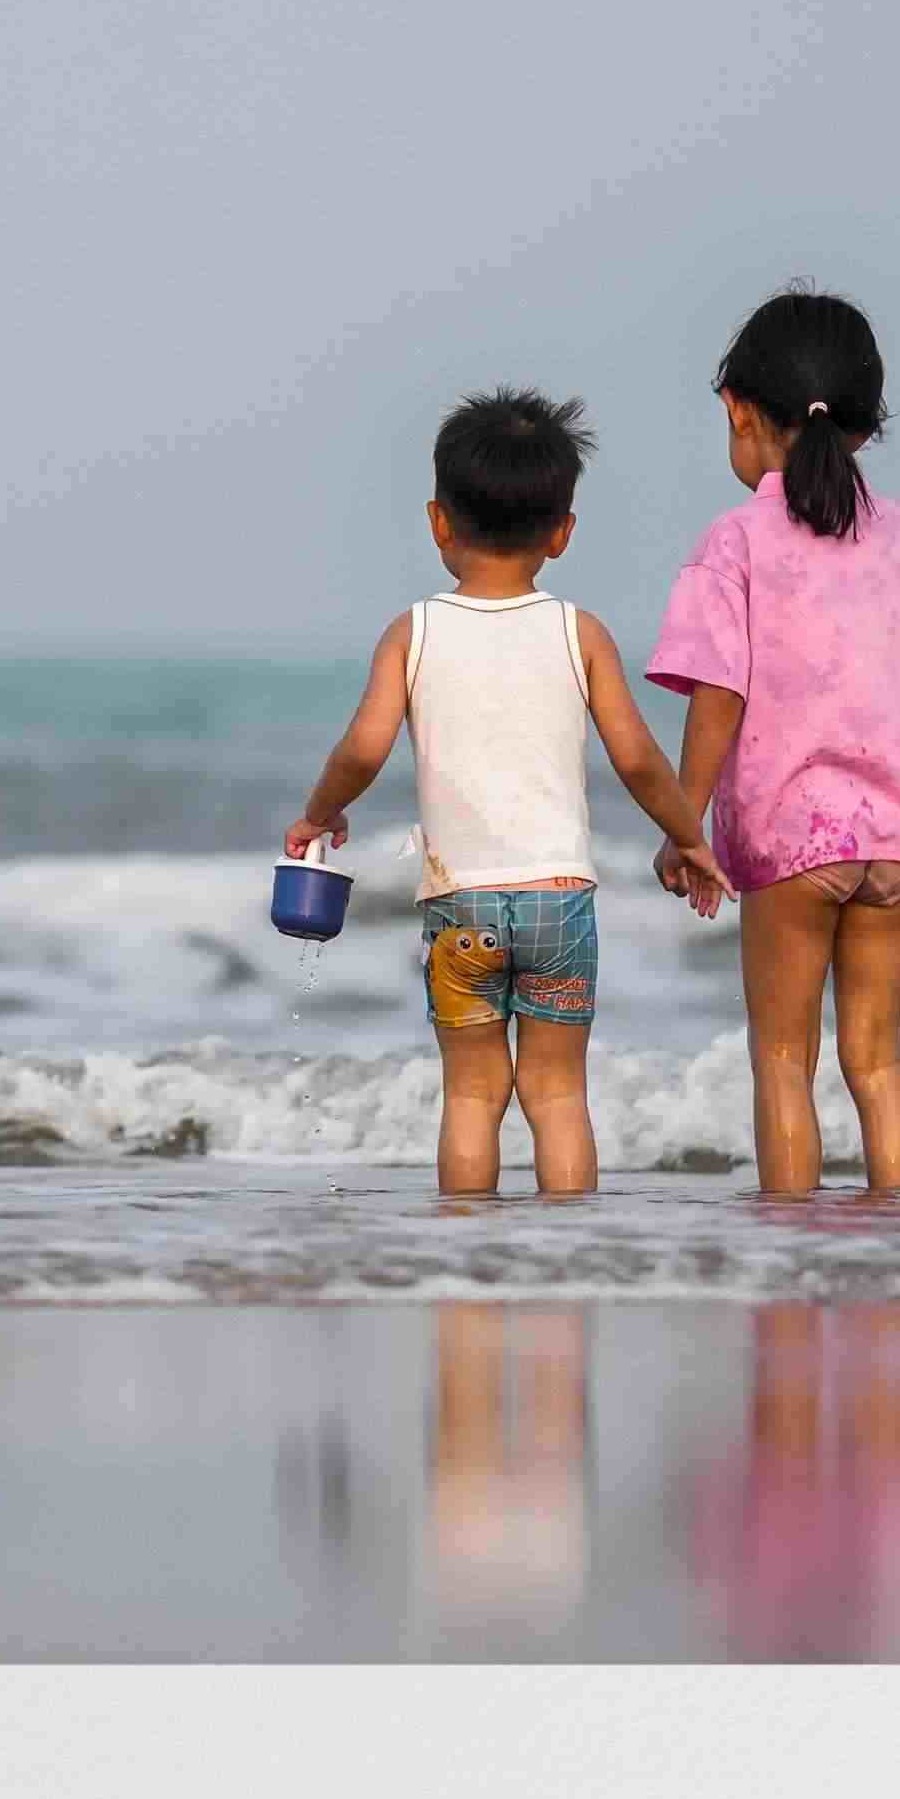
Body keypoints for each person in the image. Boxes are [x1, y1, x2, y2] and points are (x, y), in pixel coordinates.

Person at [284, 388, 727, 1195]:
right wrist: (689, 836)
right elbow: (636, 759)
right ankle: (569, 1251)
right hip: (559, 897)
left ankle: (468, 1252)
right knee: (557, 1094)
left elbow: (364, 747)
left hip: (461, 904)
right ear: (562, 532)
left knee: (471, 1092)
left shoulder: (413, 632)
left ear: (439, 522)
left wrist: (322, 812)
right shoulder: (579, 633)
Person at [642, 290, 900, 1193]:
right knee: (878, 1061)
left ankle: (791, 1246)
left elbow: (719, 695)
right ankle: (896, 1237)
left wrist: (685, 825)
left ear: (738, 410)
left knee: (782, 1060)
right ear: (864, 424)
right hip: (896, 841)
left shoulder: (734, 542)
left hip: (793, 841)